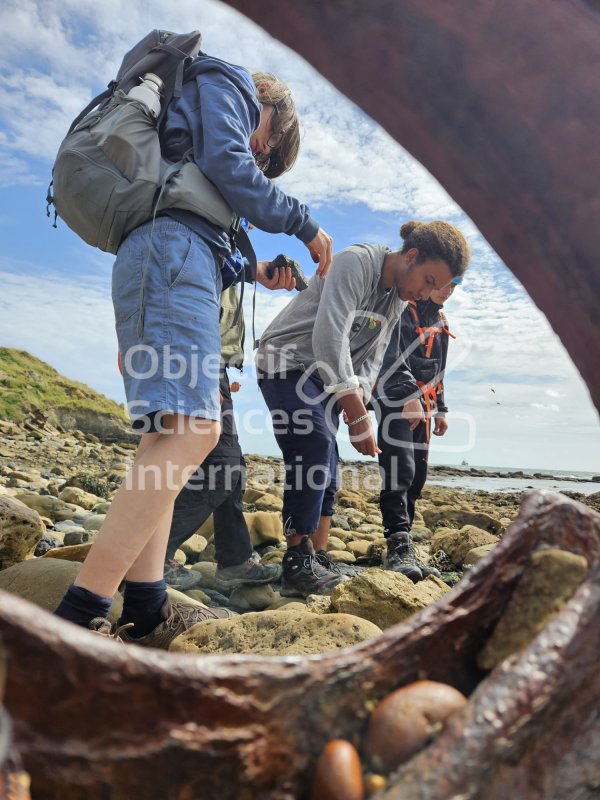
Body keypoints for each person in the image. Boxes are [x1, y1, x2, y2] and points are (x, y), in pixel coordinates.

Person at [54, 59, 333, 649]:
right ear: (272, 116)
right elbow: (231, 169)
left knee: (172, 433)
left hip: (174, 257)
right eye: (268, 152)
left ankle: (148, 602)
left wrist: (254, 269)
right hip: (171, 257)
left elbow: (201, 205)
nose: (261, 162)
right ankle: (77, 617)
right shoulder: (227, 83)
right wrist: (304, 226)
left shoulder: (191, 119)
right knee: (198, 432)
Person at [256, 221, 470, 597]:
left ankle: (319, 554)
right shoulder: (355, 263)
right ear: (412, 256)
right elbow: (329, 337)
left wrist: (363, 404)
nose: (428, 293)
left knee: (329, 461)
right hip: (286, 363)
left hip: (326, 377)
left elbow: (370, 360)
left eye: (436, 288)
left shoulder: (399, 297)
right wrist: (356, 415)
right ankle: (296, 560)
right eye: (429, 280)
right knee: (314, 443)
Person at [373, 277, 461, 581]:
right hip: (393, 396)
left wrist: (441, 409)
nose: (450, 288)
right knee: (400, 469)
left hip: (425, 402)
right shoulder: (402, 309)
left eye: (456, 283)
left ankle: (405, 543)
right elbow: (388, 355)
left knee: (418, 476)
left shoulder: (441, 321)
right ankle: (397, 542)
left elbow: (439, 369)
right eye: (447, 281)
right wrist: (408, 395)